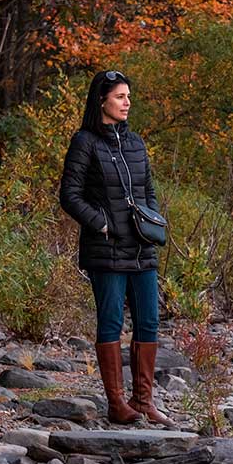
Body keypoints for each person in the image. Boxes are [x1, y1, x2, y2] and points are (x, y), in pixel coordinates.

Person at [58, 69, 176, 426]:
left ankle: (144, 402)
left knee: (149, 321)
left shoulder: (136, 143)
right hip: (106, 250)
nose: (128, 103)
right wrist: (102, 223)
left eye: (128, 96)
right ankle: (116, 404)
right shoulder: (85, 142)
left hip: (142, 248)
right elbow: (69, 195)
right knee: (110, 322)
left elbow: (148, 191)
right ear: (102, 101)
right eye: (120, 97)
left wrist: (151, 222)